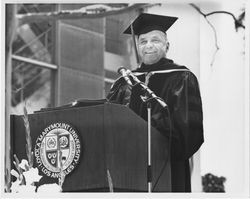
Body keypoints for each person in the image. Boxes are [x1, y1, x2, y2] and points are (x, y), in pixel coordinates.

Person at [106, 13, 204, 192]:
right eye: (143, 41)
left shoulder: (182, 77)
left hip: (168, 168)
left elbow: (190, 131)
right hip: (127, 169)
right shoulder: (123, 82)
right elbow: (108, 124)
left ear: (167, 45)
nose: (148, 45)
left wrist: (160, 132)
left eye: (155, 40)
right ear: (137, 47)